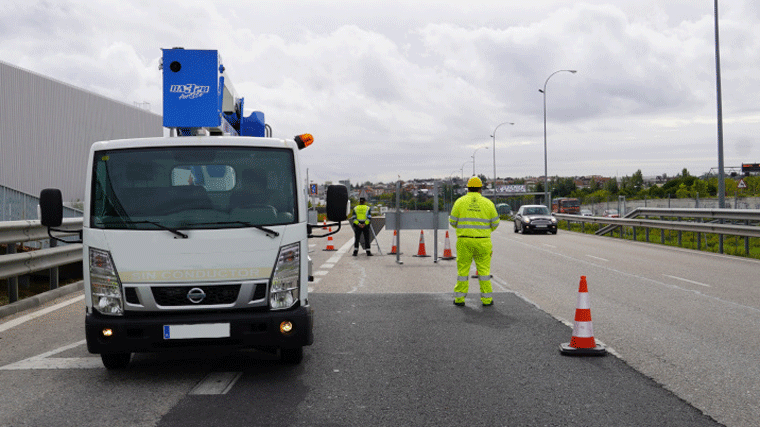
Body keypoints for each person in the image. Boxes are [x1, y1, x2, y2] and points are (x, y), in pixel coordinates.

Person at [449, 176, 499, 306]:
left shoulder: (460, 202)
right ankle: (487, 300)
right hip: (483, 242)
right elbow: (495, 223)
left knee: (463, 271)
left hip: (464, 241)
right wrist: (483, 231)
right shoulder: (488, 203)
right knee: (484, 272)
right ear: (480, 189)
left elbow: (453, 221)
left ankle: (459, 299)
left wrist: (464, 229)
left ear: (468, 188)